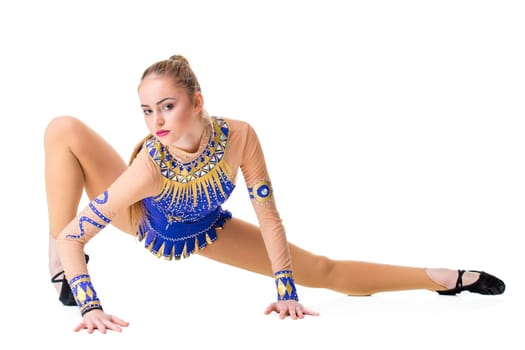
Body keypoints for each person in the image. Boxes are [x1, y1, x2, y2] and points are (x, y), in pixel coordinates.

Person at [45, 54, 505, 334]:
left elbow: (268, 216)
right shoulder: (147, 166)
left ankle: (443, 278)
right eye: (147, 111)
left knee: (324, 271)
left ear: (197, 101)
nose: (157, 121)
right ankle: (58, 272)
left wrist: (285, 288)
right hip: (143, 219)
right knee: (62, 129)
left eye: (168, 106)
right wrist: (91, 305)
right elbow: (74, 236)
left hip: (208, 228)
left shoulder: (240, 137)